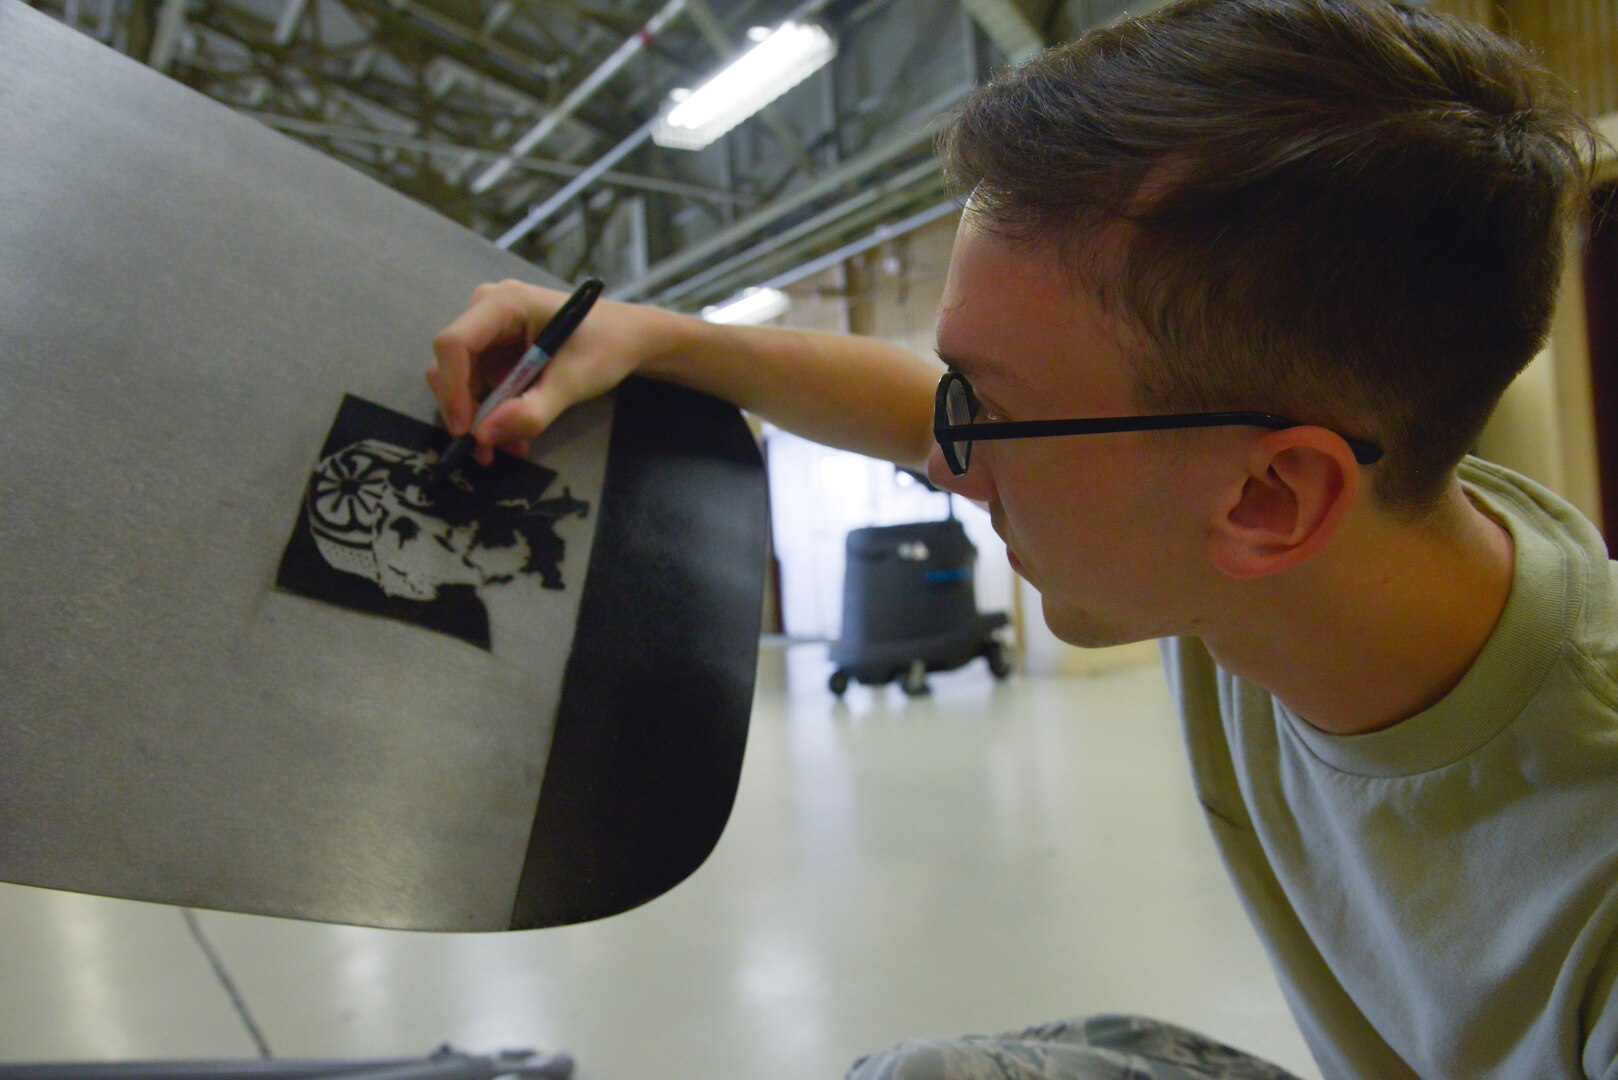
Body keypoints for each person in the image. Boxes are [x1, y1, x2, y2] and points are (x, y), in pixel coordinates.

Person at [428, 0, 1618, 1076]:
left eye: (987, 411)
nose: (948, 459)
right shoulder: (1299, 542)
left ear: (1268, 500)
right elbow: (904, 406)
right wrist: (653, 339)